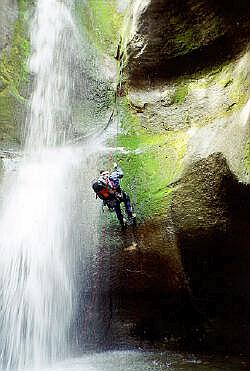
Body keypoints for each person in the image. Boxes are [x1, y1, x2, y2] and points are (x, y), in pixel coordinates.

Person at [92, 163, 135, 229]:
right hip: (119, 195)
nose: (106, 175)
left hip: (112, 199)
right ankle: (130, 214)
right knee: (126, 200)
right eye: (105, 174)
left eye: (106, 174)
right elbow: (121, 174)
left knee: (118, 209)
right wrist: (116, 167)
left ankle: (122, 221)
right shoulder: (113, 176)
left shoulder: (99, 182)